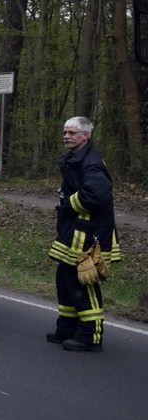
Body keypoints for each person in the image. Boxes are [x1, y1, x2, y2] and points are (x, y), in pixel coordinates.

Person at [47, 116, 121, 352]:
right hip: (74, 232)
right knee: (65, 279)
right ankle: (67, 329)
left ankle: (90, 336)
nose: (66, 136)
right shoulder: (75, 159)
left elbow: (97, 196)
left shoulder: (91, 163)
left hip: (90, 235)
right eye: (65, 132)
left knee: (82, 282)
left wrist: (68, 203)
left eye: (72, 132)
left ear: (85, 136)